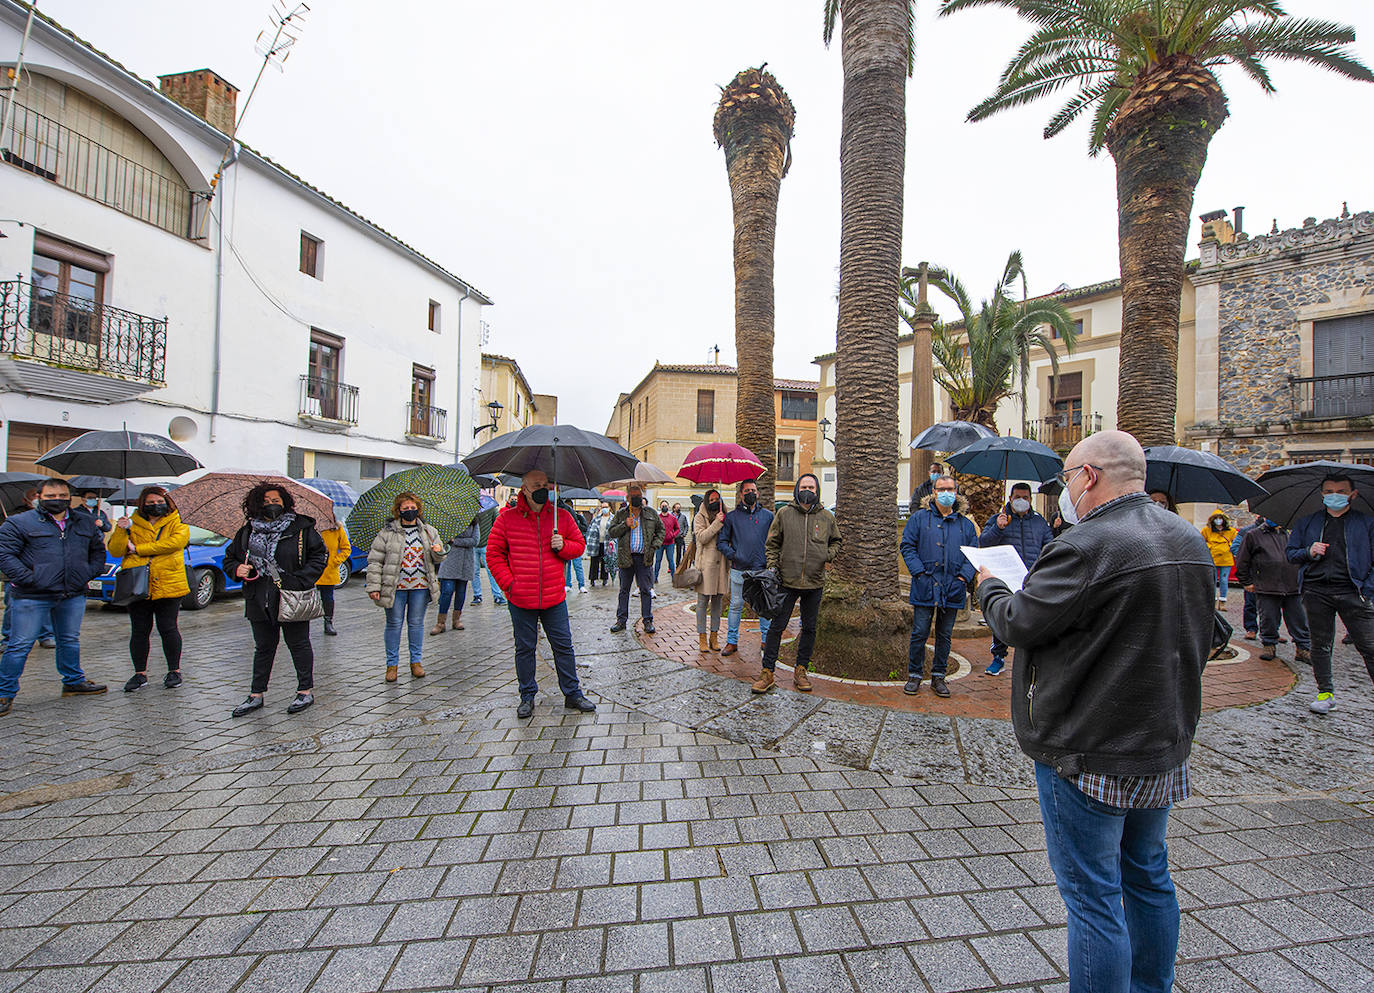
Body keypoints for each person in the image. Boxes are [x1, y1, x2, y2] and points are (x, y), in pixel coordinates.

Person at [976, 430, 1214, 993]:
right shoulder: (1187, 538)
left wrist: (991, 588)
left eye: (1066, 477)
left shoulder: (1085, 545)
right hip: (1160, 742)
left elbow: (1018, 623)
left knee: (1094, 898)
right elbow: (1210, 631)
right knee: (1148, 875)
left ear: (1088, 476)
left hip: (1087, 749)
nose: (1063, 490)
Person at [486, 470, 595, 718]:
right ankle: (527, 695)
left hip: (553, 597)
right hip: (521, 598)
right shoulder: (506, 519)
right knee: (525, 648)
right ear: (524, 489)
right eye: (536, 485)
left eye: (545, 484)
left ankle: (572, 693)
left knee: (563, 646)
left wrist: (563, 546)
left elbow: (579, 546)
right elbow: (493, 554)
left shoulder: (561, 517)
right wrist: (509, 584)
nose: (542, 489)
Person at [0, 478, 109, 715]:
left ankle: (73, 681)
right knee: (19, 645)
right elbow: (5, 555)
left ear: (70, 497)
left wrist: (86, 574)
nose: (57, 500)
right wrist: (30, 578)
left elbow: (98, 552)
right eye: (50, 496)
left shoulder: (85, 522)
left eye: (62, 496)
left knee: (69, 640)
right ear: (39, 497)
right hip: (32, 594)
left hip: (72, 593)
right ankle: (4, 693)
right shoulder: (19, 522)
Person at [223, 483, 328, 717]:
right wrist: (236, 568)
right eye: (266, 501)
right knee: (263, 647)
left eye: (276, 500)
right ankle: (256, 694)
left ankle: (305, 690)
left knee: (298, 644)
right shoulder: (248, 531)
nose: (271, 505)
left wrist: (300, 580)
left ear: (285, 502)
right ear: (256, 504)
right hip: (258, 597)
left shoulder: (301, 527)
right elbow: (230, 558)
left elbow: (319, 556)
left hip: (291, 596)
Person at [1286, 473, 1374, 715]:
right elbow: (1291, 553)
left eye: (1341, 491)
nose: (1335, 496)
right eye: (1329, 491)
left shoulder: (1367, 523)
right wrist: (1309, 551)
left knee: (1369, 646)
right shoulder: (1307, 523)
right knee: (1320, 646)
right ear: (1322, 494)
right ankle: (1325, 693)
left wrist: (1367, 590)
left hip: (1353, 592)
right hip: (1316, 591)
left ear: (1353, 494)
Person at [755, 473, 841, 694]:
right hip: (787, 581)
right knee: (777, 627)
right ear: (797, 489)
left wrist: (827, 555)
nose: (807, 491)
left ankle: (801, 670)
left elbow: (836, 541)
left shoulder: (826, 517)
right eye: (804, 487)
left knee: (809, 628)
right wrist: (773, 567)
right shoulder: (784, 514)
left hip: (814, 582)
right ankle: (767, 672)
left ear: (817, 490)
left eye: (811, 487)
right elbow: (772, 543)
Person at [902, 474, 979, 697]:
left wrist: (963, 578)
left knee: (944, 634)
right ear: (934, 492)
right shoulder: (919, 519)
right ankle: (915, 675)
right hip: (925, 584)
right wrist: (919, 572)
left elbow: (972, 554)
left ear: (956, 492)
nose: (946, 494)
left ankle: (938, 676)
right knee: (920, 632)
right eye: (941, 489)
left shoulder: (965, 525)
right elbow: (907, 546)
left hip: (952, 587)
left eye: (950, 489)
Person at [108, 486, 190, 692]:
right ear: (142, 504)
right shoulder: (131, 523)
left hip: (169, 583)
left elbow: (174, 543)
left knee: (168, 628)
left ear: (167, 503)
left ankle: (174, 671)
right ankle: (139, 673)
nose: (155, 505)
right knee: (139, 630)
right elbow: (116, 550)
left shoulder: (177, 521)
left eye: (160, 502)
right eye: (150, 502)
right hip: (137, 584)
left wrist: (138, 549)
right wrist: (121, 529)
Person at [366, 492, 444, 682]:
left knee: (416, 624)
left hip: (420, 586)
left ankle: (416, 662)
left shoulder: (428, 531)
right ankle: (391, 666)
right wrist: (374, 586)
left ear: (418, 509)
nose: (410, 511)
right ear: (398, 510)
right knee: (394, 624)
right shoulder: (387, 533)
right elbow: (375, 561)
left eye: (413, 508)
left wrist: (438, 551)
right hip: (394, 586)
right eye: (405, 508)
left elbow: (439, 558)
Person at [978, 481, 1052, 675]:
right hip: (1006, 578)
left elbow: (1049, 546)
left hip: (1032, 578)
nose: (1021, 501)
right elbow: (984, 543)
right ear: (1010, 498)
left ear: (1030, 499)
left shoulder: (1039, 522)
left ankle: (1031, 659)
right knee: (1002, 618)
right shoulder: (998, 519)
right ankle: (998, 657)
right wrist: (998, 528)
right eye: (1018, 497)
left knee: (1033, 618)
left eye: (1025, 498)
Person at [1236, 518, 1310, 664]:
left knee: (1299, 619)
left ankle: (1303, 648)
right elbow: (1242, 559)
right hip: (1267, 585)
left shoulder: (1292, 534)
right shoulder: (1253, 535)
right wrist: (1246, 581)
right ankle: (1269, 645)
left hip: (1292, 585)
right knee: (1268, 618)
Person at [717, 479, 774, 657]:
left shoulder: (768, 516)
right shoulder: (732, 517)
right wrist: (734, 555)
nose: (751, 493)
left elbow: (775, 540)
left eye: (753, 490)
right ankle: (732, 641)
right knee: (736, 606)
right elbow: (722, 542)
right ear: (741, 494)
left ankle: (766, 640)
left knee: (764, 606)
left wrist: (770, 560)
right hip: (739, 570)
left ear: (758, 493)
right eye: (747, 490)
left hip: (761, 569)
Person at [608, 483, 664, 635]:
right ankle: (621, 620)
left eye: (639, 496)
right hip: (626, 557)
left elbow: (661, 530)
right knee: (624, 590)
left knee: (645, 589)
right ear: (628, 498)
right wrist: (625, 525)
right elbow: (611, 532)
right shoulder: (621, 514)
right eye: (634, 496)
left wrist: (654, 546)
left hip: (644, 558)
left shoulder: (651, 513)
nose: (637, 499)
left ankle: (647, 620)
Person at [692, 488, 729, 653]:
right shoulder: (699, 517)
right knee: (702, 603)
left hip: (721, 565)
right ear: (707, 501)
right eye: (711, 499)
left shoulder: (725, 515)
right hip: (706, 566)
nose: (715, 502)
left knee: (717, 603)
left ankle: (714, 636)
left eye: (717, 499)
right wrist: (716, 523)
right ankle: (702, 636)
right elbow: (702, 537)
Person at [433, 518, 480, 634]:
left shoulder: (473, 523)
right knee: (447, 591)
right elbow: (443, 539)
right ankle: (440, 622)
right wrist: (454, 541)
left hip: (465, 562)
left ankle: (456, 620)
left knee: (461, 592)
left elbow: (475, 541)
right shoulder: (448, 522)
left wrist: (455, 541)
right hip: (449, 561)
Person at [315, 523, 352, 637]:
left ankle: (328, 622)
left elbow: (346, 548)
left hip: (329, 570)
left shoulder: (336, 528)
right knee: (306, 598)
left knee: (327, 597)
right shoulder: (310, 527)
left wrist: (335, 561)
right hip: (311, 569)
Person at [1201, 509, 1238, 610]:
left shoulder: (1231, 531)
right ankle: (1212, 601)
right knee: (1212, 580)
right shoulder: (1206, 530)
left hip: (1226, 559)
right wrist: (1210, 546)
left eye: (1220, 518)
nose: (1218, 520)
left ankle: (1222, 601)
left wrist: (1229, 546)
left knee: (1224, 580)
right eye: (1216, 518)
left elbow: (1236, 542)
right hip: (1212, 558)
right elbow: (1201, 541)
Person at [1230, 521, 1260, 639]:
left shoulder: (1281, 531)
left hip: (1272, 574)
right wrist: (1249, 557)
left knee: (1272, 604)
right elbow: (1235, 548)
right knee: (1251, 602)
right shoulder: (1247, 531)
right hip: (1253, 572)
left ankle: (1272, 631)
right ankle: (1251, 628)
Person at [471, 502, 504, 606]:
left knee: (491, 571)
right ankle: (477, 595)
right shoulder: (470, 509)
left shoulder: (491, 508)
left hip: (487, 544)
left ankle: (497, 595)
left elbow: (498, 523)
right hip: (473, 544)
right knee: (475, 572)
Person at [563, 501, 588, 593]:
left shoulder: (579, 517)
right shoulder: (563, 517)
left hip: (576, 544)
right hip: (567, 544)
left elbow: (584, 528)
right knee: (568, 565)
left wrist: (577, 522)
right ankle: (567, 584)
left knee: (578, 565)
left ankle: (581, 585)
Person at [654, 500, 680, 584]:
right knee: (657, 561)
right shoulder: (657, 518)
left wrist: (673, 535)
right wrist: (656, 536)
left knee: (671, 561)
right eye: (662, 506)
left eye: (665, 505)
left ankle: (674, 578)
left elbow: (677, 528)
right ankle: (655, 578)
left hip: (670, 543)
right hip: (660, 543)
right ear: (660, 507)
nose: (664, 507)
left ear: (668, 507)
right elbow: (654, 529)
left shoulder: (673, 518)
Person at [586, 506, 612, 587]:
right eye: (603, 507)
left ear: (609, 508)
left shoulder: (612, 518)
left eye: (606, 507)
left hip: (607, 543)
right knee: (594, 561)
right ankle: (592, 579)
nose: (604, 509)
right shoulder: (596, 518)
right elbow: (590, 529)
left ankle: (604, 579)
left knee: (605, 561)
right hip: (596, 542)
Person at [673, 502, 688, 568]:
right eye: (677, 507)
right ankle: (670, 566)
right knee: (670, 552)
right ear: (674, 509)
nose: (678, 509)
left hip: (680, 537)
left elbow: (686, 526)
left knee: (679, 552)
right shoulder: (670, 516)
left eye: (679, 507)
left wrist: (684, 534)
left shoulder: (683, 517)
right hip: (672, 537)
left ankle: (677, 565)